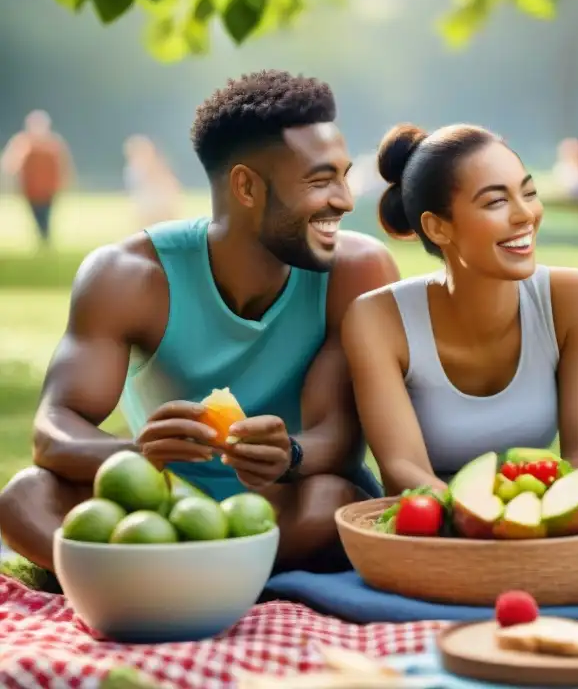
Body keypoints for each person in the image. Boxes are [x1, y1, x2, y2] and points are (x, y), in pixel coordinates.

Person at [0, 71, 399, 573]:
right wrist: (135, 452)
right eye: (321, 181)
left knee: (333, 501)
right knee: (24, 497)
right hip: (161, 498)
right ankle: (210, 572)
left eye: (343, 176)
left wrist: (291, 453)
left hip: (284, 501)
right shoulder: (129, 275)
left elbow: (339, 435)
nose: (344, 199)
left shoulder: (358, 269)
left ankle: (148, 576)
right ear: (247, 187)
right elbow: (53, 428)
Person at [341, 123, 578, 495]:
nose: (525, 215)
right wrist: (488, 526)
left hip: (539, 528)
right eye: (496, 201)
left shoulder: (576, 298)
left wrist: (542, 524)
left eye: (528, 192)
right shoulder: (377, 320)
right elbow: (402, 470)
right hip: (430, 535)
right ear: (437, 228)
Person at [0, 110, 75, 247]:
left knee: (45, 216)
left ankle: (45, 239)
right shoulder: (23, 144)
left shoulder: (53, 145)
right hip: (31, 190)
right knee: (37, 216)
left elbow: (63, 166)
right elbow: (11, 165)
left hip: (48, 190)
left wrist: (63, 183)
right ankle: (43, 238)